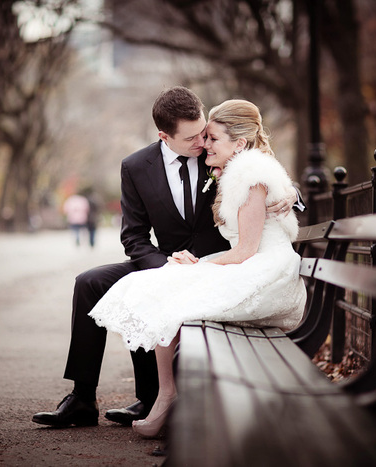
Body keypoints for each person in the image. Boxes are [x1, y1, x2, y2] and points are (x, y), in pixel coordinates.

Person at [31, 87, 301, 429]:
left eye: (205, 133)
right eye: (192, 138)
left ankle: (149, 398)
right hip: (166, 259)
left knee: (156, 292)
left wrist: (293, 193)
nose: (202, 142)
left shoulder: (222, 154)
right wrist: (163, 265)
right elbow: (133, 235)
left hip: (221, 262)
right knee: (90, 282)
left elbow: (262, 171)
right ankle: (82, 398)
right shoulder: (136, 167)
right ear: (164, 136)